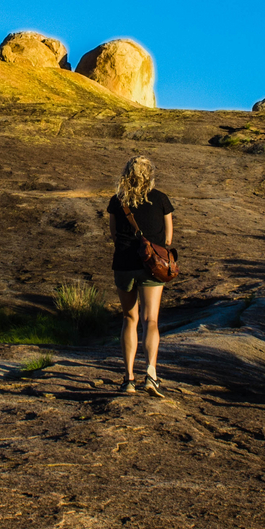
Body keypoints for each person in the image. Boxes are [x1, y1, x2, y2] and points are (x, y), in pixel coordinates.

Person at [106, 156, 174, 396]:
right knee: (151, 320)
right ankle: (152, 374)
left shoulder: (117, 201)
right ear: (150, 173)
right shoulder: (161, 199)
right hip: (151, 265)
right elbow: (167, 239)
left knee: (129, 318)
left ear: (127, 174)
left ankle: (128, 379)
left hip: (124, 264)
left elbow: (114, 235)